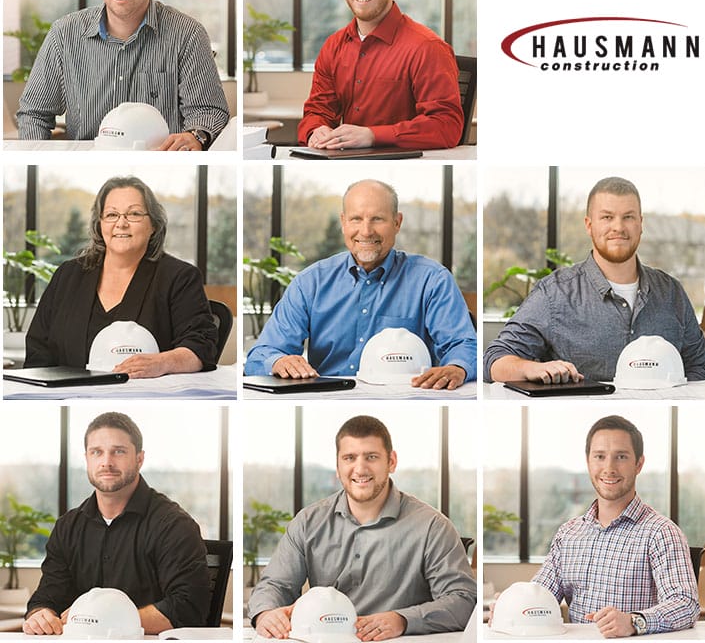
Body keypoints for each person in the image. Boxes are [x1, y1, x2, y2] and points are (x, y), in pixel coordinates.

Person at [249, 415, 475, 639]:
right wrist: (266, 614)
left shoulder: (433, 527)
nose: (360, 468)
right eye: (349, 458)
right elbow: (274, 585)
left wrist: (402, 620)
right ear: (337, 466)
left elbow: (463, 600)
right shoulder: (308, 522)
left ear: (391, 461)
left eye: (371, 457)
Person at [243, 179, 476, 387]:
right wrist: (279, 361)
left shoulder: (432, 280)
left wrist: (457, 367)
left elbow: (464, 345)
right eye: (356, 219)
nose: (366, 231)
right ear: (343, 222)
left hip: (407, 397)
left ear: (397, 222)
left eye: (377, 219)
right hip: (327, 399)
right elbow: (260, 355)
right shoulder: (310, 283)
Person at [483, 176, 705, 384]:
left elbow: (699, 367)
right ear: (589, 225)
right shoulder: (554, 294)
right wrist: (531, 368)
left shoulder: (671, 292)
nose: (618, 227)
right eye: (607, 217)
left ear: (641, 223)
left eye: (628, 217)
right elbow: (494, 360)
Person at [17, 0, 229, 149]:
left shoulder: (187, 34)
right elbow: (34, 113)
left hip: (161, 159)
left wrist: (196, 136)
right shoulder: (64, 34)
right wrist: (36, 154)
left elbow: (208, 111)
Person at [23, 412, 209, 636]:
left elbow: (187, 608)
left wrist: (101, 620)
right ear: (87, 459)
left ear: (139, 459)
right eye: (97, 452)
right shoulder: (68, 526)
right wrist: (40, 615)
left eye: (118, 452)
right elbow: (47, 598)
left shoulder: (174, 525)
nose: (106, 462)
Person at [23, 176, 219, 375]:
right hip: (67, 394)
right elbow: (38, 350)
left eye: (134, 214)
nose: (121, 223)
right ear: (99, 224)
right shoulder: (67, 275)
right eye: (111, 215)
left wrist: (162, 362)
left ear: (153, 225)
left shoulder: (180, 277)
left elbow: (201, 346)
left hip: (146, 394)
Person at [532, 415, 700, 634]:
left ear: (638, 464)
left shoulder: (662, 532)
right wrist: (513, 604)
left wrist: (633, 622)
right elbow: (539, 596)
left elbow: (686, 603)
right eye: (600, 457)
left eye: (621, 457)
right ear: (588, 462)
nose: (609, 468)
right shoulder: (568, 534)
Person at [296, 0, 464, 150]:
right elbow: (317, 111)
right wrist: (316, 130)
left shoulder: (427, 48)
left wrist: (373, 135)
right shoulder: (333, 46)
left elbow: (446, 126)